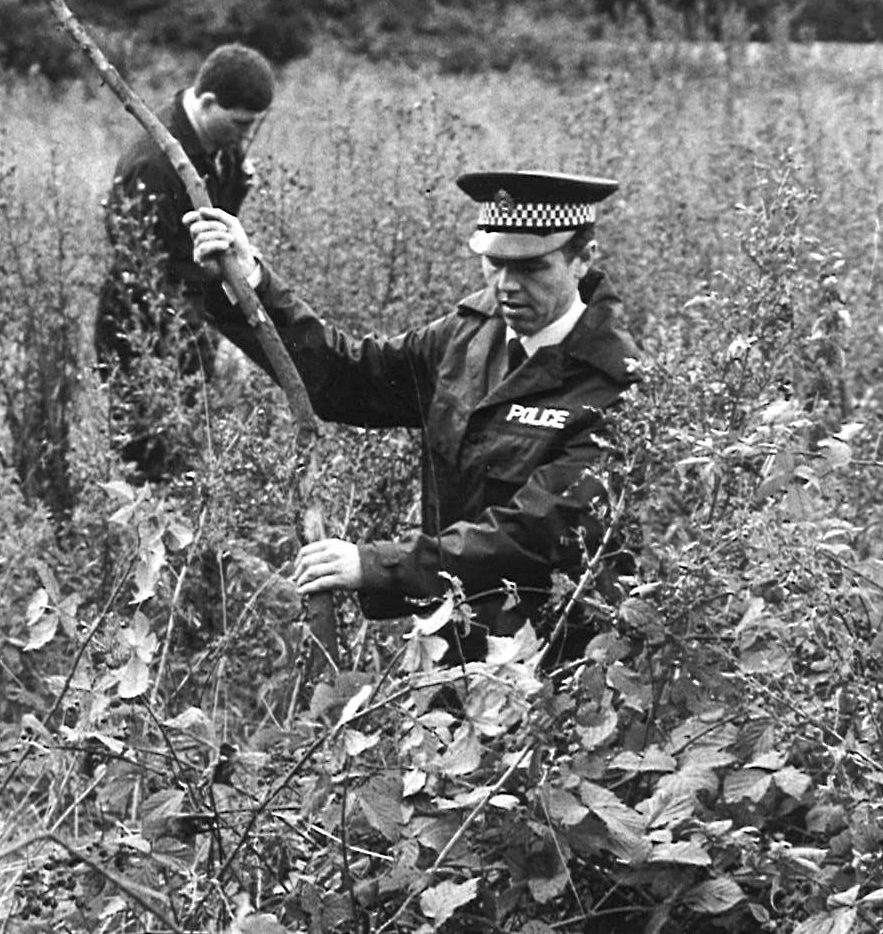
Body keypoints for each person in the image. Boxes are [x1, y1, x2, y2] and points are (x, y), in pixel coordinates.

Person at [187, 170, 640, 652]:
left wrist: (376, 564)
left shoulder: (613, 385)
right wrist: (248, 280)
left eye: (531, 269)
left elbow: (534, 533)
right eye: (494, 263)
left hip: (555, 661)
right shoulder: (468, 335)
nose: (506, 285)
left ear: (582, 261)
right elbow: (348, 378)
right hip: (453, 643)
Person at [92, 44, 276, 482]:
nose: (246, 138)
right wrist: (210, 334)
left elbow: (209, 240)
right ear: (208, 102)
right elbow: (146, 275)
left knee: (188, 458)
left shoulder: (220, 146)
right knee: (147, 465)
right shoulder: (153, 164)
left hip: (191, 325)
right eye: (240, 124)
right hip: (142, 334)